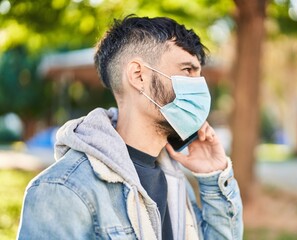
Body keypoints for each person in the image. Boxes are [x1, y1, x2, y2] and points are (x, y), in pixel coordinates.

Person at [17, 15, 243, 240]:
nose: (199, 85)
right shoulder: (62, 190)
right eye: (187, 71)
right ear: (138, 76)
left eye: (199, 74)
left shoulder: (176, 179)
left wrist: (213, 177)